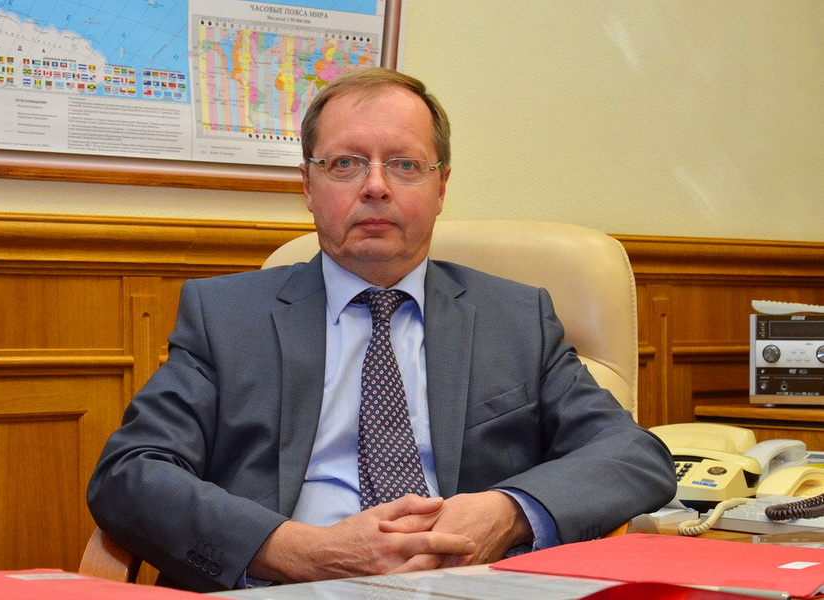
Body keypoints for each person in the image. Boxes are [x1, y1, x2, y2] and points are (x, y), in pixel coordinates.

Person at [87, 67, 676, 592]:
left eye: (404, 165)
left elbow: (632, 455)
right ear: (308, 186)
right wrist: (297, 551)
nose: (375, 186)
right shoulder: (227, 316)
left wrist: (506, 511)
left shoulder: (516, 318)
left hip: (470, 587)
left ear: (441, 187)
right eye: (345, 163)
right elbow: (129, 473)